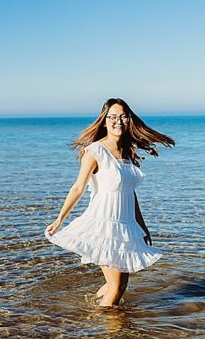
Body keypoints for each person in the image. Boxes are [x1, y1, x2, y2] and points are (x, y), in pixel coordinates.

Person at [45, 98, 175, 308]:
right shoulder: (94, 151)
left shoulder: (127, 152)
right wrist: (60, 219)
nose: (118, 121)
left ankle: (93, 308)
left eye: (123, 116)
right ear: (104, 121)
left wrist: (142, 226)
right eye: (112, 117)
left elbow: (130, 194)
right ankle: (107, 335)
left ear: (129, 120)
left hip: (125, 227)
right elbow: (78, 187)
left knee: (118, 285)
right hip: (103, 226)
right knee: (116, 288)